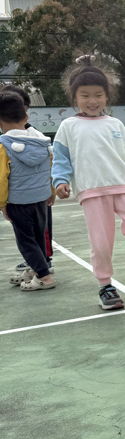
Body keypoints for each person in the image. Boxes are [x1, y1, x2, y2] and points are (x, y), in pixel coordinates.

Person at [51, 57, 125, 311]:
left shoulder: (115, 124)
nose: (92, 101)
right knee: (101, 243)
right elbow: (61, 158)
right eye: (85, 95)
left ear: (107, 96)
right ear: (74, 97)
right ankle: (105, 285)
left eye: (98, 95)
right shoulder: (68, 126)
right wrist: (60, 181)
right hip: (92, 191)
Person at [0, 91, 57, 291]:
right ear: (26, 116)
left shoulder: (3, 146)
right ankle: (36, 269)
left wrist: (2, 203)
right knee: (39, 237)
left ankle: (45, 277)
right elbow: (50, 168)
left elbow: (2, 178)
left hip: (18, 202)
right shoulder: (41, 141)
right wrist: (51, 191)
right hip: (41, 199)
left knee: (26, 241)